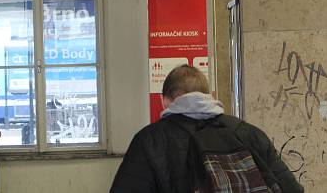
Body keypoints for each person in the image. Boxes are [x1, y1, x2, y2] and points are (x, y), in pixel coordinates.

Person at [110, 64, 303, 193]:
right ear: (209, 95)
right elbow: (292, 189)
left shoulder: (149, 140)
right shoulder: (249, 133)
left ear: (165, 101)